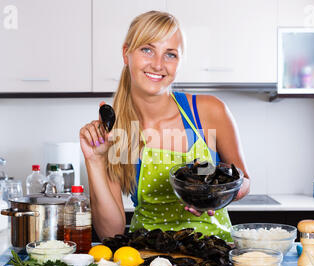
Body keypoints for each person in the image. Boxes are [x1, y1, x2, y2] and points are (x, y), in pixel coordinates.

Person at [79, 10, 250, 242]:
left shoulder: (209, 111)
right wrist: (95, 161)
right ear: (126, 53)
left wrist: (216, 195)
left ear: (179, 62)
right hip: (148, 261)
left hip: (213, 253)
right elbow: (112, 233)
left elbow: (243, 181)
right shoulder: (119, 131)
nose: (158, 64)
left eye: (170, 55)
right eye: (147, 50)